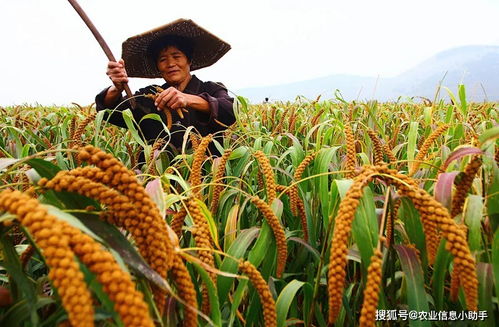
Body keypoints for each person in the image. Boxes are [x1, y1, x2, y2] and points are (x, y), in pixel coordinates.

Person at [95, 19, 235, 162]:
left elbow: (230, 110)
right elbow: (109, 112)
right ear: (157, 66)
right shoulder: (148, 97)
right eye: (163, 59)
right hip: (157, 180)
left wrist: (188, 99)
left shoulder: (211, 89)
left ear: (189, 60)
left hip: (207, 179)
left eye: (176, 56)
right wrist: (116, 89)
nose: (170, 64)